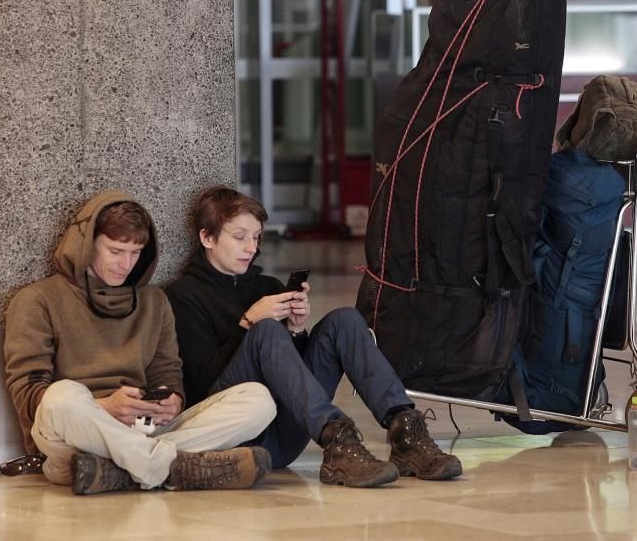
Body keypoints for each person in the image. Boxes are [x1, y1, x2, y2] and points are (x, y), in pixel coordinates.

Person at [165, 186, 462, 488]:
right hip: (236, 435)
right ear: (208, 238)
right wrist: (249, 322)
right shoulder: (181, 296)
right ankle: (338, 440)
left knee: (344, 320)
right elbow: (203, 384)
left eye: (256, 238)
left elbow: (294, 378)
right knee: (265, 330)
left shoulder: (266, 285)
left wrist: (296, 329)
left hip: (285, 434)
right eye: (239, 237)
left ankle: (406, 432)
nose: (251, 248)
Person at [4, 189, 278, 495]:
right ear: (85, 245)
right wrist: (105, 407)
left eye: (135, 253)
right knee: (62, 396)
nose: (126, 264)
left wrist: (172, 398)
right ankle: (168, 466)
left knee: (258, 399)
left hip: (143, 430)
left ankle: (119, 470)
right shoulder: (37, 299)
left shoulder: (154, 301)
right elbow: (29, 396)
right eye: (116, 251)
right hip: (74, 435)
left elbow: (167, 371)